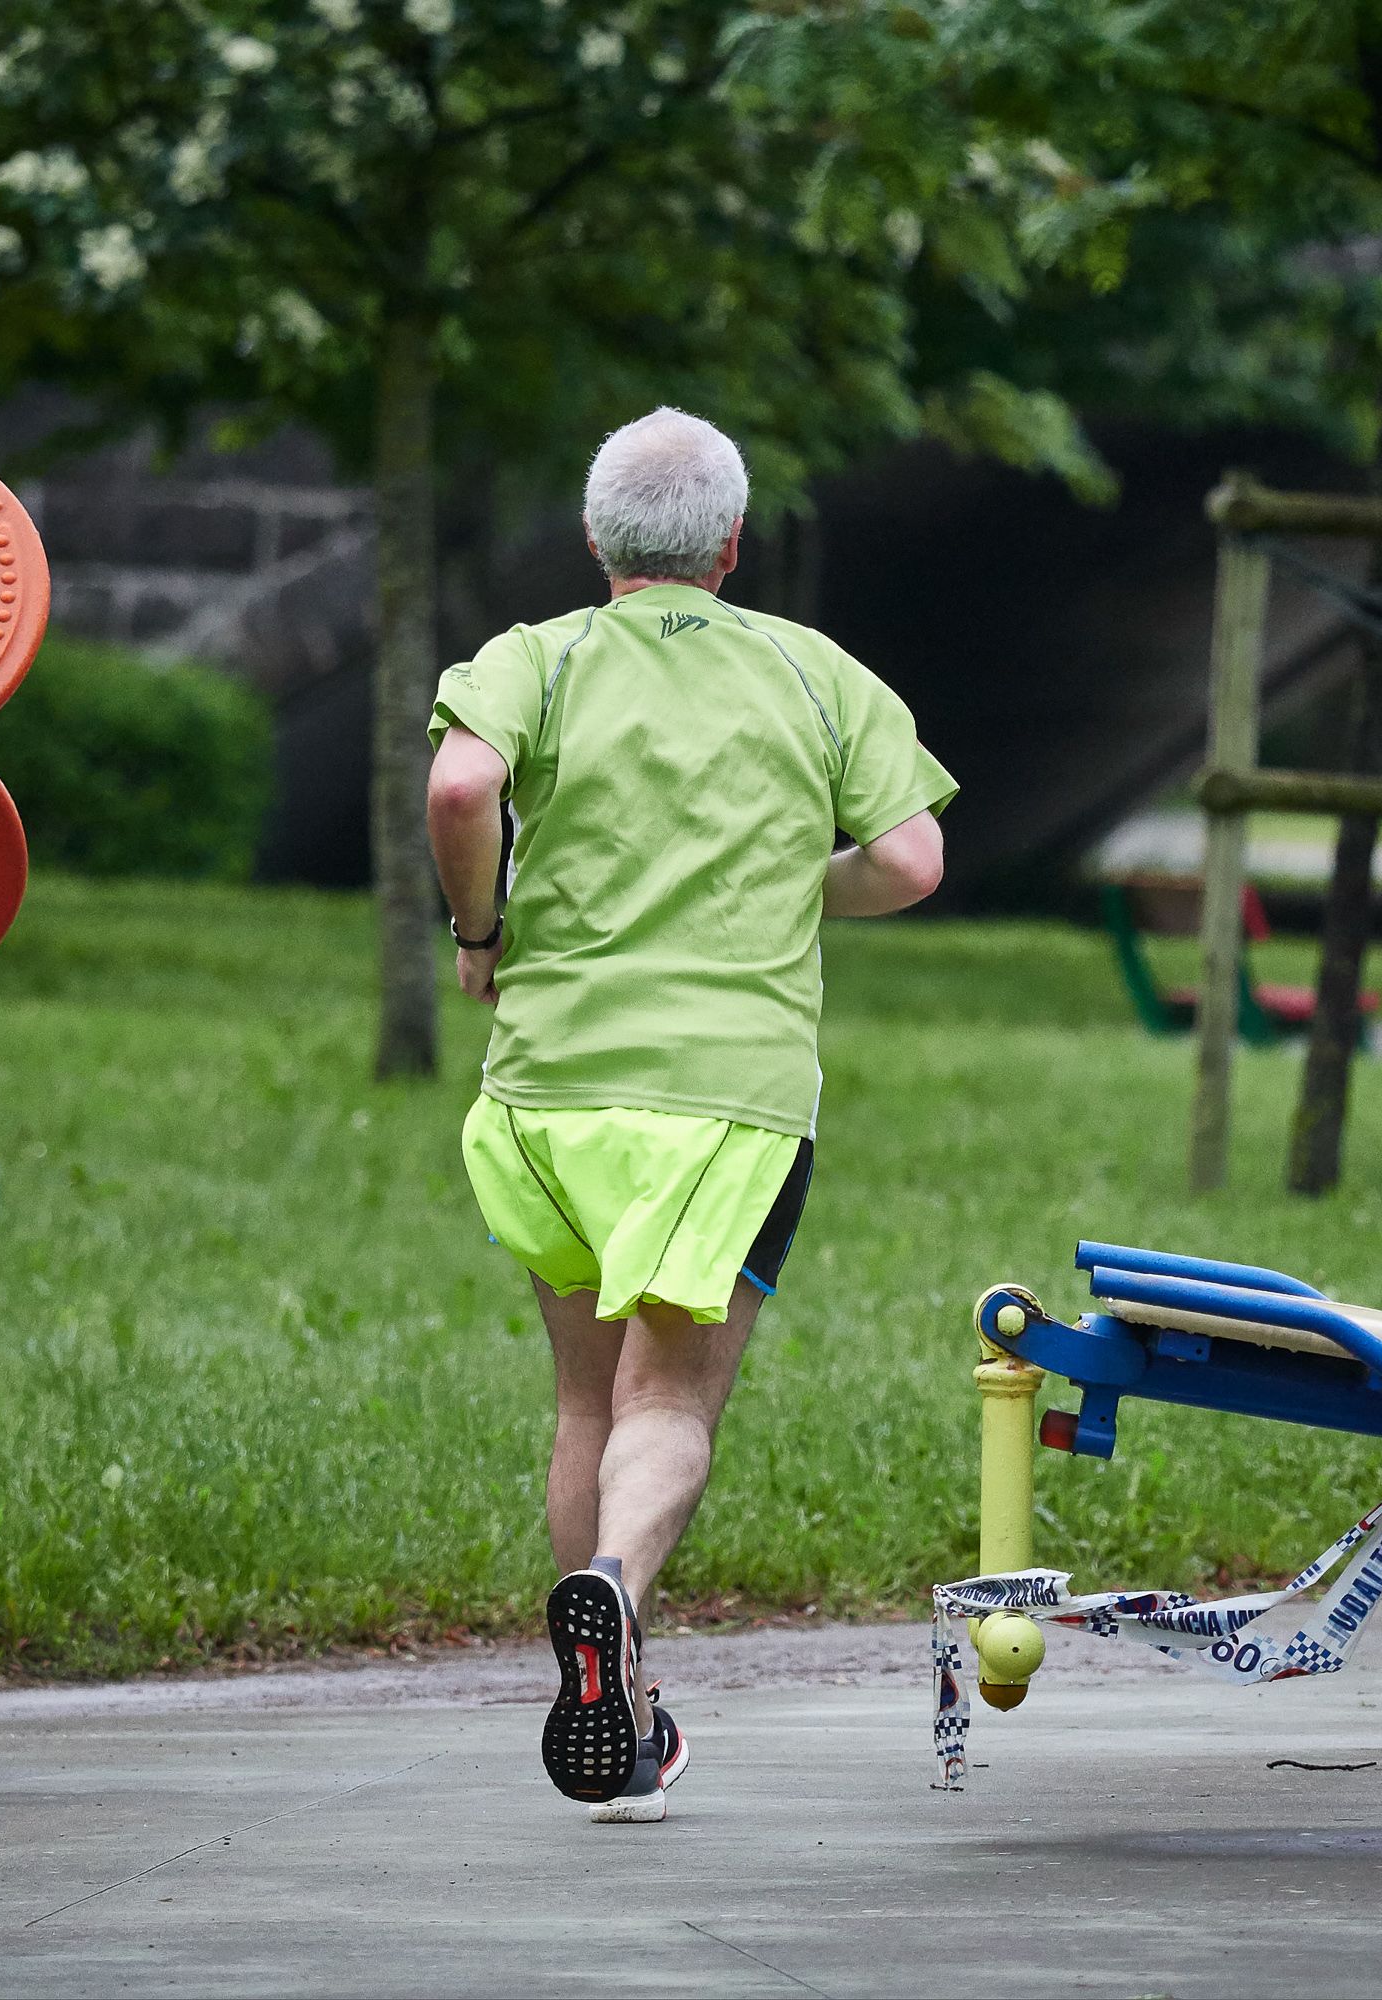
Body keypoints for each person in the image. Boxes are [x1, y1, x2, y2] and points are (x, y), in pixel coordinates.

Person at [425, 408, 953, 1824]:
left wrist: (477, 928)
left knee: (583, 1401)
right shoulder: (809, 670)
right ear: (731, 543)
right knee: (668, 1403)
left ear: (598, 540)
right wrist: (801, 883)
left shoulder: (528, 660)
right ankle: (613, 1594)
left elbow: (463, 782)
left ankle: (626, 1715)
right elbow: (910, 857)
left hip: (546, 1097)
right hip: (730, 1107)